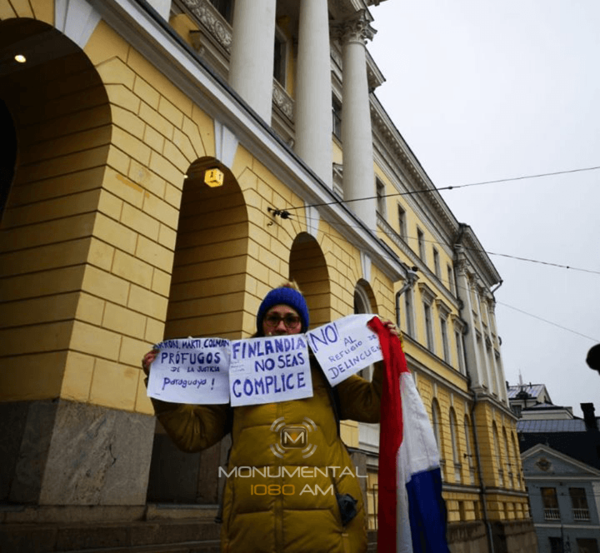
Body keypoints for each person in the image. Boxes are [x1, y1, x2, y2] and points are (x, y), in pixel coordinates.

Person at [142, 282, 398, 553]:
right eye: (273, 318)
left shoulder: (323, 366)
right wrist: (161, 385)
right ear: (262, 323)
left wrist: (384, 355)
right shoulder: (237, 371)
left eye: (291, 320)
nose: (281, 327)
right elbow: (194, 434)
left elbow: (373, 406)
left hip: (327, 530)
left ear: (303, 325)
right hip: (251, 531)